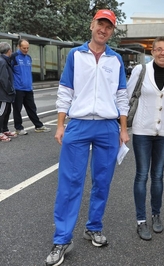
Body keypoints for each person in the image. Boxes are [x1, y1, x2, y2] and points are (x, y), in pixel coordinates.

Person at [45, 9, 129, 266]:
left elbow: (122, 97)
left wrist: (123, 129)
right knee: (70, 183)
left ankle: (93, 226)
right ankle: (61, 238)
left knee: (102, 182)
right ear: (92, 25)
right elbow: (65, 90)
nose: (103, 30)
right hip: (79, 125)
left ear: (112, 31)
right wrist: (60, 125)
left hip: (107, 127)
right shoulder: (76, 55)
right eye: (100, 24)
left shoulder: (116, 60)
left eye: (109, 26)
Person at [127, 37, 164, 241]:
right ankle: (141, 220)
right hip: (142, 130)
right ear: (152, 51)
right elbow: (127, 96)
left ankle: (156, 215)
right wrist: (121, 127)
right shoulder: (141, 71)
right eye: (159, 49)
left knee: (158, 176)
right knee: (141, 175)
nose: (162, 53)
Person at [11, 39, 51, 135]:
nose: (26, 50)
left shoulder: (28, 57)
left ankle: (38, 126)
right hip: (18, 88)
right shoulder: (14, 57)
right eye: (24, 48)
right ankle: (19, 128)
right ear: (18, 47)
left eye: (27, 48)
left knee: (32, 108)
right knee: (17, 109)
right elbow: (8, 71)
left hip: (28, 88)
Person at [0, 42, 17, 142]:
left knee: (7, 111)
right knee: (2, 113)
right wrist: (10, 90)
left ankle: (5, 129)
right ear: (9, 51)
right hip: (3, 93)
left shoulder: (5, 60)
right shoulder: (2, 61)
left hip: (5, 93)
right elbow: (4, 79)